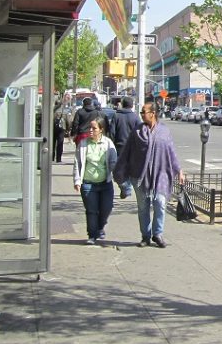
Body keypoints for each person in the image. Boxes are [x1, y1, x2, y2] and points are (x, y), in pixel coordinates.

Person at [113, 102, 185, 248]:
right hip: (140, 176)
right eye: (141, 112)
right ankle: (145, 236)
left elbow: (171, 152)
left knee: (160, 203)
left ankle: (157, 234)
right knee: (143, 207)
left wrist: (179, 171)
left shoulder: (164, 131)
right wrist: (119, 171)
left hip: (161, 174)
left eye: (144, 112)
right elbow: (127, 152)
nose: (141, 114)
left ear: (153, 113)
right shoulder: (137, 132)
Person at [73, 117, 117, 245]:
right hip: (88, 183)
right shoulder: (83, 144)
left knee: (106, 209)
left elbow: (113, 162)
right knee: (91, 211)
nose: (91, 130)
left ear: (101, 130)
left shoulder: (108, 143)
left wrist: (120, 177)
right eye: (90, 128)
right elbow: (77, 163)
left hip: (105, 184)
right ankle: (92, 235)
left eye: (94, 128)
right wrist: (77, 180)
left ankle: (100, 227)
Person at [112, 96, 140, 198]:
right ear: (132, 106)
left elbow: (112, 132)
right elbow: (141, 132)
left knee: (118, 170)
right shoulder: (135, 117)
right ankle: (126, 187)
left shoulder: (116, 116)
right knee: (129, 169)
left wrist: (112, 143)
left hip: (119, 146)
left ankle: (125, 187)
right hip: (133, 147)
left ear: (123, 105)